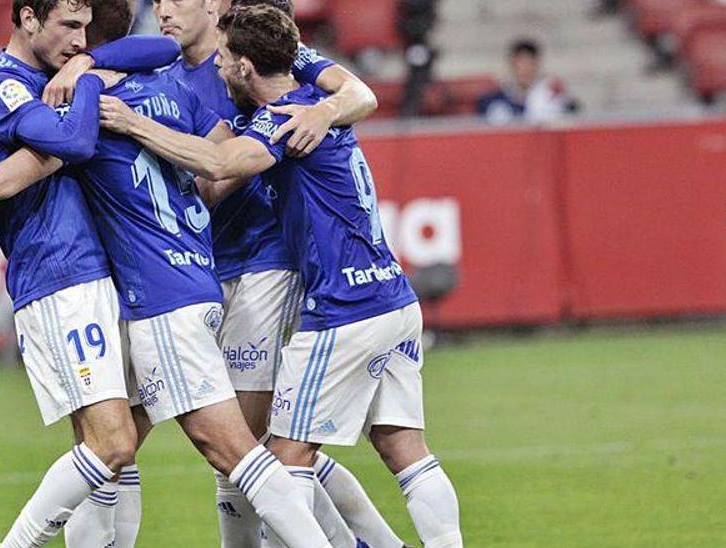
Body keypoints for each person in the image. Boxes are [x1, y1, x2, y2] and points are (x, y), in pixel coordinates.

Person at [98, 5, 464, 546]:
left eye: (226, 61)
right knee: (402, 448)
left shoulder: (285, 117)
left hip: (338, 307)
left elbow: (222, 166)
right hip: (392, 296)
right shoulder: (304, 97)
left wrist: (133, 125)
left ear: (244, 63)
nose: (219, 71)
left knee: (275, 459)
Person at [0, 2, 331, 547]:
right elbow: (210, 148)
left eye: (84, 32)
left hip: (151, 294)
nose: (76, 41)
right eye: (71, 30)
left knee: (213, 451)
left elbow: (71, 146)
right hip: (178, 278)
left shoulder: (92, 101)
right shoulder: (169, 89)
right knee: (116, 451)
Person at [154, 0, 402, 544]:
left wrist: (323, 112)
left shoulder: (265, 59)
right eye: (155, 3)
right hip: (210, 265)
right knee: (265, 444)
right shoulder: (164, 75)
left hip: (268, 262)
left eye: (175, 0)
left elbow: (360, 93)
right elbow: (210, 181)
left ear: (213, 8)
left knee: (245, 447)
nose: (163, 12)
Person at [476, 39, 577, 125]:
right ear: (511, 65)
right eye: (520, 63)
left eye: (529, 64)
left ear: (537, 65)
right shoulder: (493, 100)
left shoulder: (550, 97)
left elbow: (575, 117)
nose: (525, 69)